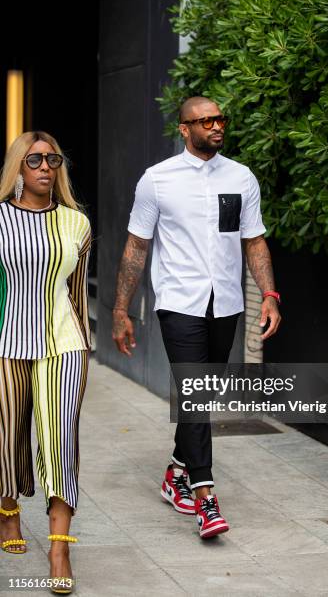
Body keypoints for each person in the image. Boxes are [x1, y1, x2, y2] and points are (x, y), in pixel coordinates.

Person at [112, 96, 281, 539]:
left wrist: (269, 294)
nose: (216, 126)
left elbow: (255, 241)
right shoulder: (158, 180)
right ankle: (206, 497)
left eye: (220, 118)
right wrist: (120, 310)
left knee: (201, 395)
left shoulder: (241, 177)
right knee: (196, 392)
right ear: (184, 130)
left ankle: (176, 473)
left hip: (226, 302)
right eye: (205, 120)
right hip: (179, 302)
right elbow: (136, 247)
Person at [0, 131, 91, 594]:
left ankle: (60, 546)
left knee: (60, 439)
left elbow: (77, 299)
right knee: (7, 434)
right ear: (17, 166)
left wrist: (86, 351)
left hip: (62, 344)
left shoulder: (77, 223)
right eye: (34, 159)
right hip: (5, 343)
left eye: (52, 158)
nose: (44, 166)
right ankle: (8, 511)